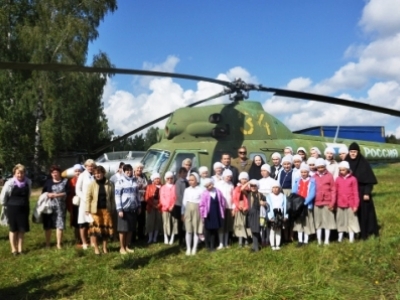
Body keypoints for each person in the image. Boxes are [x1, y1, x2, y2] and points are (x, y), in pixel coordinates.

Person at [345, 142, 379, 240]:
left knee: (365, 213)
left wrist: (367, 192)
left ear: (358, 152)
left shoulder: (364, 163)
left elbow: (369, 181)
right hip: (350, 192)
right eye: (351, 151)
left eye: (355, 152)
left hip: (362, 191)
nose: (353, 153)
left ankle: (367, 232)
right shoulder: (346, 163)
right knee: (352, 213)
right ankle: (353, 233)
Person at [0, 164, 32, 255]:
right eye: (18, 173)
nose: (20, 175)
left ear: (24, 173)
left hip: (24, 208)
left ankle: (20, 249)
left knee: (22, 229)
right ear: (14, 173)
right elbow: (3, 197)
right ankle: (14, 249)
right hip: (12, 208)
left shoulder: (28, 182)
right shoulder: (9, 183)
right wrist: (6, 206)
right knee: (13, 229)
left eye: (22, 173)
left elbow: (28, 194)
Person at [85, 166, 115, 255]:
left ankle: (104, 247)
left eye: (99, 173)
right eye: (95, 174)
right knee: (95, 230)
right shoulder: (92, 185)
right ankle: (96, 248)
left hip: (106, 210)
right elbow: (88, 198)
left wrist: (112, 208)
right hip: (95, 211)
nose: (97, 175)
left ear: (103, 173)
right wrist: (87, 209)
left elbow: (112, 197)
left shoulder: (110, 184)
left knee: (105, 230)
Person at [115, 164, 140, 255]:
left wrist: (139, 206)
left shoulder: (134, 181)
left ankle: (127, 246)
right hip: (124, 209)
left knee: (130, 229)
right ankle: (121, 248)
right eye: (127, 171)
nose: (129, 172)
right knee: (123, 229)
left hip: (133, 208)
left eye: (130, 170)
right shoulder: (120, 182)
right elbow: (117, 196)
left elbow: (137, 195)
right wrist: (119, 209)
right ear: (124, 171)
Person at [42, 165, 68, 249]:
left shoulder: (65, 181)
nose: (54, 174)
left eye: (56, 172)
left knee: (59, 225)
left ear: (60, 173)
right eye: (53, 173)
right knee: (48, 225)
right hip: (48, 206)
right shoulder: (48, 182)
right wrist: (48, 194)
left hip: (61, 207)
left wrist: (57, 195)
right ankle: (47, 243)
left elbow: (68, 192)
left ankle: (59, 244)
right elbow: (43, 193)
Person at [291, 163, 316, 247]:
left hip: (306, 204)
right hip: (298, 205)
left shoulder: (312, 181)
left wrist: (305, 202)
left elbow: (312, 193)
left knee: (306, 223)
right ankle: (300, 240)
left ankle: (305, 240)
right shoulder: (298, 180)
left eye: (305, 172)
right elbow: (294, 191)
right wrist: (296, 201)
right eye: (302, 172)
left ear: (308, 172)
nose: (303, 174)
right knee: (299, 223)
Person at [335, 161, 360, 243]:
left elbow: (355, 192)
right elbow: (335, 191)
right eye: (340, 170)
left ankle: (351, 238)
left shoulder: (353, 179)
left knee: (351, 221)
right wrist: (334, 203)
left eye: (343, 170)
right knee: (340, 221)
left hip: (350, 203)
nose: (341, 172)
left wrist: (356, 204)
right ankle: (340, 238)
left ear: (348, 169)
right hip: (340, 203)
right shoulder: (338, 179)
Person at [313, 158, 336, 245]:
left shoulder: (329, 176)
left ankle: (326, 240)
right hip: (317, 201)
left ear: (325, 167)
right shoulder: (314, 176)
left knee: (327, 222)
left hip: (327, 201)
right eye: (319, 167)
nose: (321, 169)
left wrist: (332, 202)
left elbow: (333, 189)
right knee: (318, 222)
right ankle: (319, 240)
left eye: (322, 167)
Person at [199, 178, 225, 252]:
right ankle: (207, 245)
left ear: (212, 184)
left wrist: (222, 211)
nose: (209, 187)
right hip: (208, 214)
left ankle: (212, 246)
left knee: (214, 230)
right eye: (207, 186)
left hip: (216, 212)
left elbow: (222, 202)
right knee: (208, 230)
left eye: (210, 185)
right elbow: (202, 205)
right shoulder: (204, 193)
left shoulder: (218, 191)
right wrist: (202, 214)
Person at [76, 159, 96, 249]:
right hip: (84, 203)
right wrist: (85, 199)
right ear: (86, 166)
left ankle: (92, 242)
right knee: (83, 223)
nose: (90, 167)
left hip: (94, 203)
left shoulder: (96, 175)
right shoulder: (82, 175)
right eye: (88, 166)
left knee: (92, 223)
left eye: (92, 166)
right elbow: (78, 190)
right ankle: (84, 242)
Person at [181, 173, 203, 255]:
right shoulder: (187, 190)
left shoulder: (200, 190)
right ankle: (188, 248)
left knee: (196, 230)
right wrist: (182, 213)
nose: (190, 182)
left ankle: (194, 248)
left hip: (197, 210)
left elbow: (202, 202)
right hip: (188, 210)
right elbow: (184, 201)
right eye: (189, 180)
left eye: (192, 180)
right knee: (188, 230)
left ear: (197, 180)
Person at [245, 179, 267, 252]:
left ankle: (256, 248)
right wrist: (248, 182)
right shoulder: (248, 193)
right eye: (252, 186)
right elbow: (242, 189)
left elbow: (267, 204)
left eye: (255, 186)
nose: (253, 187)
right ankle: (255, 246)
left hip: (258, 214)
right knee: (253, 230)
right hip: (250, 214)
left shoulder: (261, 195)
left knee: (256, 230)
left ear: (257, 186)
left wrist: (263, 203)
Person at [215, 169, 234, 249]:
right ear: (224, 176)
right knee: (221, 226)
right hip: (220, 208)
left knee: (227, 226)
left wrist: (233, 208)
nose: (228, 178)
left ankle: (226, 243)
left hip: (229, 207)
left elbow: (233, 197)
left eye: (230, 177)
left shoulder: (231, 185)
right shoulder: (218, 184)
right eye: (227, 176)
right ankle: (221, 243)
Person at [267, 180, 287, 251]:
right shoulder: (269, 196)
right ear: (271, 189)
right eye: (274, 187)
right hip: (273, 216)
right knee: (272, 231)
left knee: (278, 230)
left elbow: (285, 206)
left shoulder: (283, 196)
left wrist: (286, 216)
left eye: (277, 187)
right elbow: (268, 208)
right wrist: (270, 216)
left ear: (279, 188)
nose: (275, 189)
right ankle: (272, 245)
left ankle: (278, 244)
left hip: (280, 215)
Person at [66, 164, 83, 245]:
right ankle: (77, 239)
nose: (77, 173)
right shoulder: (71, 181)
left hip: (83, 203)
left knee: (84, 222)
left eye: (79, 171)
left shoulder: (85, 179)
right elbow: (69, 194)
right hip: (75, 204)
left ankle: (85, 238)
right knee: (76, 223)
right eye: (76, 171)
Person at [232, 172, 251, 247]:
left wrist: (246, 207)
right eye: (243, 178)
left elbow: (248, 198)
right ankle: (240, 240)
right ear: (240, 179)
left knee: (246, 224)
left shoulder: (248, 188)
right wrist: (237, 206)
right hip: (239, 208)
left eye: (246, 179)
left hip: (246, 208)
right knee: (240, 224)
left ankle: (246, 240)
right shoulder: (236, 188)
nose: (244, 180)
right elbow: (234, 199)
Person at [258, 164, 275, 246]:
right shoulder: (259, 181)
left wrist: (267, 202)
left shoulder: (273, 181)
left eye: (264, 170)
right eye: (261, 171)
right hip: (261, 204)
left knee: (268, 222)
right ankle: (262, 239)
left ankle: (268, 239)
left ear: (268, 171)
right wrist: (260, 201)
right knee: (262, 222)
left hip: (269, 203)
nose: (263, 172)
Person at [144, 173, 162, 244]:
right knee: (150, 222)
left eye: (158, 178)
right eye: (155, 179)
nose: (157, 180)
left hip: (159, 206)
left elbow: (163, 197)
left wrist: (159, 205)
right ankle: (150, 238)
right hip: (150, 207)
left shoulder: (162, 187)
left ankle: (155, 238)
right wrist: (152, 205)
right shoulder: (149, 187)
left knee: (157, 222)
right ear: (153, 180)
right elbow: (147, 198)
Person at [160, 171, 177, 245]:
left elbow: (177, 197)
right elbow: (162, 198)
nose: (170, 180)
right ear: (165, 179)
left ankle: (172, 237)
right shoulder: (162, 188)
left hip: (174, 208)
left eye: (171, 178)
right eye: (168, 178)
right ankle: (166, 237)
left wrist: (173, 206)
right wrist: (167, 206)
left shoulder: (175, 187)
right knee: (166, 223)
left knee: (174, 223)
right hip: (165, 208)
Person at [133, 162, 148, 242]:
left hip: (143, 200)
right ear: (134, 169)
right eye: (138, 168)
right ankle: (133, 237)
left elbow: (147, 186)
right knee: (134, 219)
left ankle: (141, 235)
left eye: (141, 168)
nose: (139, 169)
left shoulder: (144, 176)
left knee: (142, 219)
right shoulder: (132, 177)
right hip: (134, 200)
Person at [174, 167, 188, 247]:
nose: (184, 174)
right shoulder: (178, 182)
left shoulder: (187, 181)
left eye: (185, 173)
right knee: (180, 222)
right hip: (180, 205)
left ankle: (186, 238)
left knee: (185, 222)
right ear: (179, 174)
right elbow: (178, 194)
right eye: (183, 173)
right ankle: (180, 239)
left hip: (186, 205)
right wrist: (184, 202)